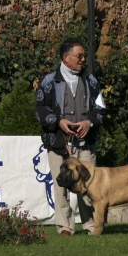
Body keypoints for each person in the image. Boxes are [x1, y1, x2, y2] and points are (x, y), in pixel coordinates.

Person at [35, 38, 106, 236]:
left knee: (89, 183)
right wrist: (58, 122)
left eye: (84, 55)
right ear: (66, 58)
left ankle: (92, 226)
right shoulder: (49, 81)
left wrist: (89, 123)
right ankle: (65, 227)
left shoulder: (91, 80)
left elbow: (101, 108)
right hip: (58, 142)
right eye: (79, 56)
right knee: (62, 185)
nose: (83, 59)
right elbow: (40, 110)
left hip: (85, 143)